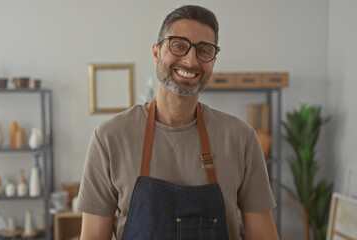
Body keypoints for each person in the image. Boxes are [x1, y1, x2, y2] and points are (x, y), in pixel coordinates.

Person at [76, 5, 279, 240]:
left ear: (212, 61)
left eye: (204, 50)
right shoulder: (110, 138)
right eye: (179, 46)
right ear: (156, 52)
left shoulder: (240, 138)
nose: (190, 60)